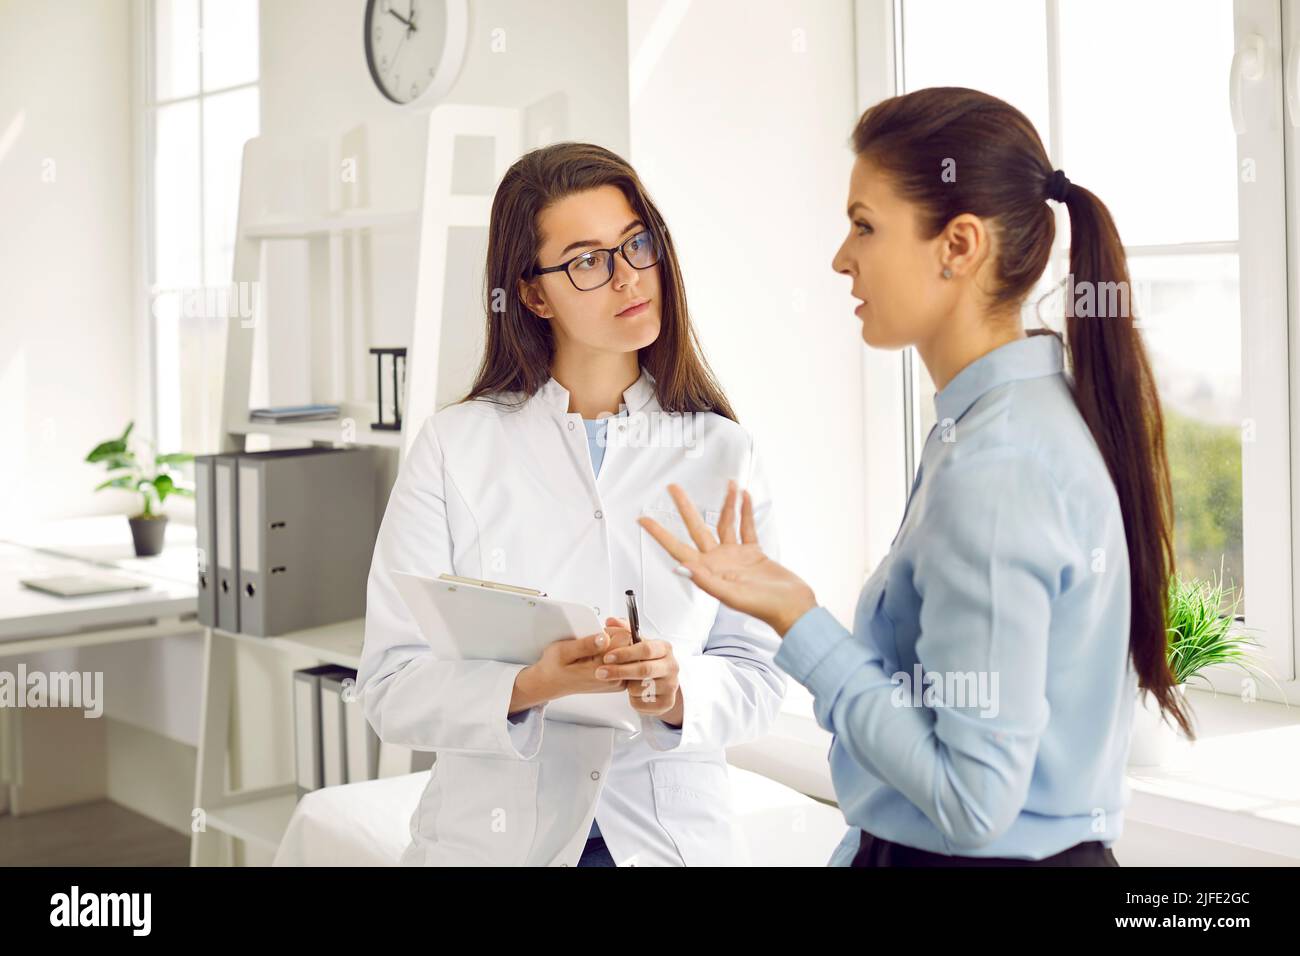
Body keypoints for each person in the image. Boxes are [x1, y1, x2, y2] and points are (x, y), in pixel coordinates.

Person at [637, 87, 1194, 866]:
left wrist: (800, 619)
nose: (841, 257)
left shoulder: (997, 469)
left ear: (958, 246)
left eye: (864, 225)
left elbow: (971, 804)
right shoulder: (1012, 419)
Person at [358, 142, 786, 867]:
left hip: (666, 840)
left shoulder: (724, 452)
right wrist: (529, 687)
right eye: (587, 261)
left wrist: (676, 689)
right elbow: (390, 685)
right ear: (532, 294)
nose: (628, 278)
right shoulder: (454, 445)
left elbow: (758, 673)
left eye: (636, 243)